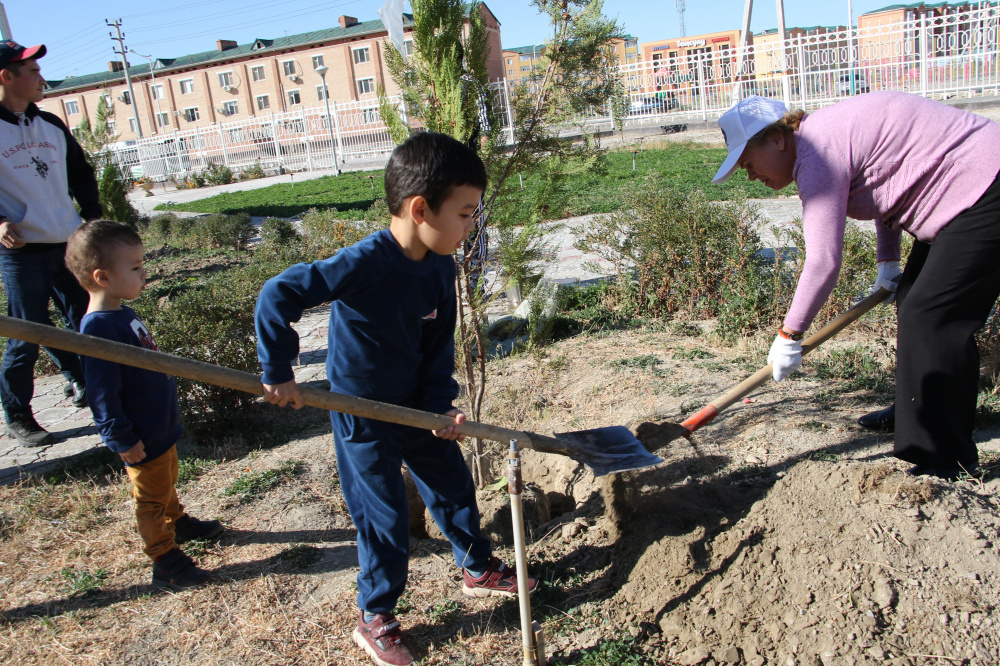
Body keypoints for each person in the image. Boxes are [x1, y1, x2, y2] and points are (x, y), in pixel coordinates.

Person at [255, 131, 536, 666]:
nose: (472, 226)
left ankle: (477, 567)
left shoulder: (437, 265)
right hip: (360, 413)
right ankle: (375, 614)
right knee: (381, 516)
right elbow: (278, 294)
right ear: (421, 208)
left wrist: (440, 402)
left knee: (452, 484)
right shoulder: (365, 263)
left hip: (415, 406)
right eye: (466, 213)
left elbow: (437, 343)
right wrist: (278, 369)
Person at [713, 92, 1000, 481]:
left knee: (932, 316)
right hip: (970, 186)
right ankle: (917, 410)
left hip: (985, 184)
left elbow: (823, 262)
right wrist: (889, 263)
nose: (750, 175)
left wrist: (790, 333)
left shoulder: (816, 154)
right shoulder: (823, 139)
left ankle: (946, 456)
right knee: (912, 297)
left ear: (777, 139)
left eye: (748, 162)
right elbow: (889, 187)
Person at [65, 220, 224, 591]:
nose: (144, 273)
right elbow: (102, 392)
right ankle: (165, 560)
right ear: (102, 277)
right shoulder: (99, 329)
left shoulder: (120, 312)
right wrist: (121, 437)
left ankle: (178, 522)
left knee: (165, 479)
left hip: (158, 427)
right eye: (135, 267)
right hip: (140, 433)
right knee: (150, 497)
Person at [0, 40, 99, 446]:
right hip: (23, 253)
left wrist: (93, 219)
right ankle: (18, 414)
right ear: (6, 77)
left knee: (88, 325)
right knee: (27, 333)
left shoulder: (52, 125)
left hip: (69, 244)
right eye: (33, 72)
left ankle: (92, 388)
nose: (42, 78)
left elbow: (81, 172)